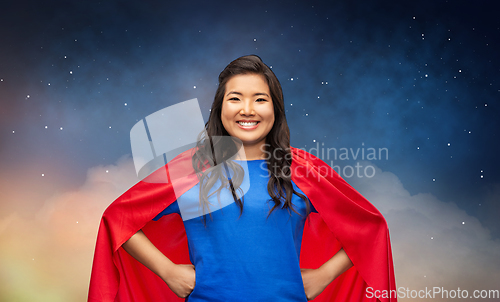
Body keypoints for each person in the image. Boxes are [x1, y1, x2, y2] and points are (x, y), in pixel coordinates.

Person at [88, 55, 397, 301]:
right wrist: (168, 271)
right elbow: (118, 220)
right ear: (220, 107)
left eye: (260, 99)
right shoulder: (192, 168)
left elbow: (370, 228)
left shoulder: (301, 168)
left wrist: (324, 275)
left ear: (275, 109)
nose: (248, 110)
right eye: (235, 98)